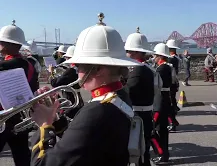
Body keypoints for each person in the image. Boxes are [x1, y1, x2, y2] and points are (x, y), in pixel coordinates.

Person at [30, 14, 141, 166]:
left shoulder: (97, 110)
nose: (77, 71)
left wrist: (44, 125)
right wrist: (55, 119)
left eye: (79, 66)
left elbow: (42, 164)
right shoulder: (119, 96)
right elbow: (83, 138)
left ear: (98, 69)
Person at [0, 20, 38, 166]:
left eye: (2, 41)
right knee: (22, 155)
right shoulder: (29, 64)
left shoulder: (6, 65)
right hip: (21, 117)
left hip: (5, 118)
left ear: (10, 44)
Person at [124, 27, 155, 166]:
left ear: (137, 52)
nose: (127, 54)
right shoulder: (146, 68)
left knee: (138, 152)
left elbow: (128, 92)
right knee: (143, 150)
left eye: (128, 51)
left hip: (138, 114)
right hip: (146, 113)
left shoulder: (138, 70)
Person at [48, 46, 84, 120]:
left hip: (69, 98)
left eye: (67, 57)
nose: (66, 59)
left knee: (71, 117)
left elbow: (54, 83)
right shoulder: (79, 69)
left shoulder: (70, 71)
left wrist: (51, 73)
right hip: (78, 97)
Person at [151, 43, 172, 163]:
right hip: (164, 99)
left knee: (153, 128)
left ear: (159, 56)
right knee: (162, 130)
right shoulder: (166, 67)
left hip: (159, 100)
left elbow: (155, 85)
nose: (154, 57)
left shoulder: (161, 68)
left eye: (155, 55)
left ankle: (161, 154)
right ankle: (164, 154)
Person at [166, 39, 180, 131]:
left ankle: (172, 122)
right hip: (173, 82)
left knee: (169, 103)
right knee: (171, 102)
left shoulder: (171, 59)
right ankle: (173, 120)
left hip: (170, 83)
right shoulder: (176, 58)